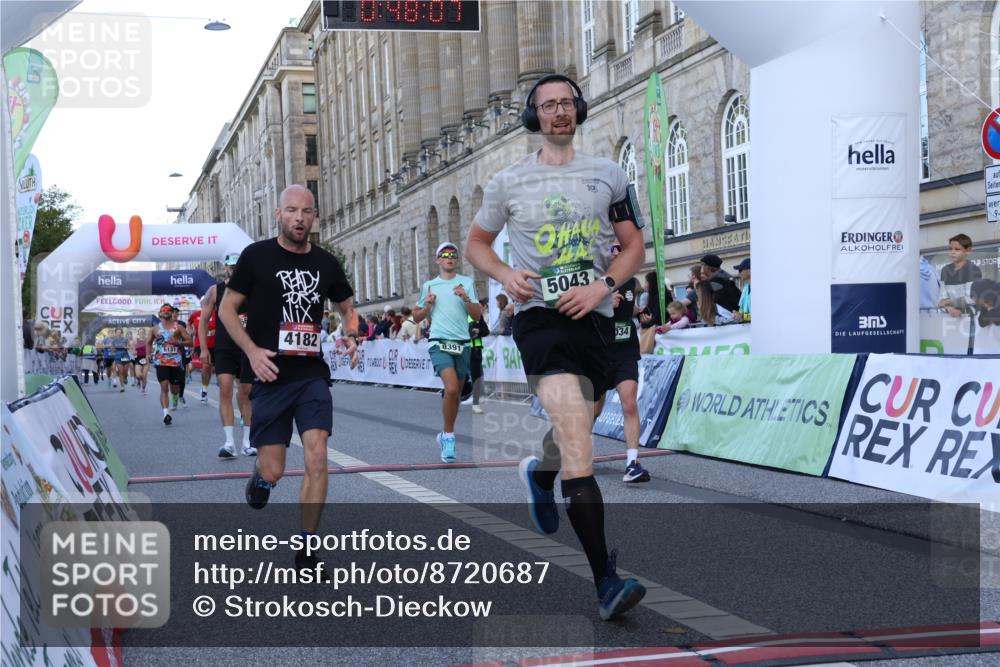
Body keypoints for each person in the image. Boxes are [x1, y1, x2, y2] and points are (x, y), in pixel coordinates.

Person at [466, 73, 646, 620]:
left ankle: (540, 475)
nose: (560, 112)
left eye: (567, 103)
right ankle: (606, 581)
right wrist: (504, 274)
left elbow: (633, 244)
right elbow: (476, 243)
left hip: (594, 317)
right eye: (549, 105)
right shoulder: (508, 182)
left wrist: (604, 286)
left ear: (579, 110)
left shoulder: (609, 176)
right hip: (540, 320)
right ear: (535, 116)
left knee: (580, 428)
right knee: (576, 439)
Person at [219, 184, 359, 574]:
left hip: (311, 373)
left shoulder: (327, 263)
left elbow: (347, 306)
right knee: (274, 469)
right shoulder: (256, 257)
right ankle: (262, 478)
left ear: (315, 216)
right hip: (269, 373)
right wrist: (250, 351)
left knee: (317, 456)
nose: (300, 218)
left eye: (307, 211)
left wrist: (351, 333)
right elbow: (228, 311)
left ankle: (307, 550)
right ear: (278, 215)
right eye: (292, 211)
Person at [413, 241, 482, 462]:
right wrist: (427, 306)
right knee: (451, 389)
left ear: (456, 259)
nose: (449, 257)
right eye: (444, 254)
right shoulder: (430, 286)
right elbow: (416, 317)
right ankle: (450, 437)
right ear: (438, 260)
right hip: (439, 342)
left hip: (462, 343)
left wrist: (465, 297)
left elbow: (477, 315)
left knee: (457, 395)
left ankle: (445, 433)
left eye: (453, 254)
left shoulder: (467, 282)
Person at [201, 252, 255, 459]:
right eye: (231, 266)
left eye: (237, 266)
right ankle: (229, 442)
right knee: (225, 390)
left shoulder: (253, 288)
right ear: (226, 267)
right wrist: (205, 349)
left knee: (246, 393)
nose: (234, 269)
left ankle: (248, 442)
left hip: (247, 347)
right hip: (224, 348)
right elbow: (203, 321)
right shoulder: (215, 291)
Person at [603, 242, 649, 484]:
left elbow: (627, 311)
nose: (616, 252)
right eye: (612, 248)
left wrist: (638, 313)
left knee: (629, 404)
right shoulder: (594, 280)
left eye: (620, 248)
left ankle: (632, 464)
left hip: (625, 351)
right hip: (598, 353)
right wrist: (604, 304)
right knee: (592, 412)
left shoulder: (631, 281)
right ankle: (572, 451)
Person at [148, 304, 193, 425]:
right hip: (161, 362)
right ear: (160, 314)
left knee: (174, 389)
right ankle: (166, 413)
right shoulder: (155, 329)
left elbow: (190, 342)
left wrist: (178, 343)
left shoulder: (178, 328)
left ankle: (175, 397)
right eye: (164, 310)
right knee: (164, 387)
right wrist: (148, 355)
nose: (166, 312)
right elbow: (148, 343)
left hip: (176, 363)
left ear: (172, 313)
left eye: (169, 310)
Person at [938, 233, 982, 316]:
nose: (952, 252)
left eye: (957, 249)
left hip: (971, 318)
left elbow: (972, 298)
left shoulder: (973, 270)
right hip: (950, 317)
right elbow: (941, 300)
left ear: (968, 251)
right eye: (950, 249)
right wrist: (949, 308)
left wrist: (949, 302)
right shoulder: (945, 270)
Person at [189, 306, 216, 402]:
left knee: (210, 368)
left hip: (214, 345)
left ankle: (205, 386)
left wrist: (215, 331)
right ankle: (204, 390)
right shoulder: (196, 314)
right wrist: (191, 331)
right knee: (205, 366)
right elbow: (189, 323)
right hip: (200, 344)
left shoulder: (216, 313)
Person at [465, 309, 489, 415]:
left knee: (475, 377)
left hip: (474, 349)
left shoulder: (476, 314)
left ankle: (475, 403)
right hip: (460, 349)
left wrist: (478, 331)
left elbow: (486, 331)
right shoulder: (456, 313)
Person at [109, 328, 129, 392]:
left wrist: (126, 347)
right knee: (121, 371)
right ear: (115, 333)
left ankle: (125, 377)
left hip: (125, 355)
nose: (119, 333)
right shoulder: (113, 340)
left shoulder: (125, 339)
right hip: (117, 356)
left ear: (122, 333)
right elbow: (112, 349)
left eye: (120, 332)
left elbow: (128, 346)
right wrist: (113, 348)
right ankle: (122, 387)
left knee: (125, 371)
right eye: (117, 332)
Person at [731, 257, 751, 322]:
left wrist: (743, 317)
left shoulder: (762, 288)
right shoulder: (745, 288)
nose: (738, 273)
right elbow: (741, 310)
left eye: (740, 270)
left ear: (749, 270)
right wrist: (737, 315)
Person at [134, 328, 149, 394]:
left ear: (144, 333)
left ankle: (143, 388)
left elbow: (151, 349)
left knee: (144, 375)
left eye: (143, 332)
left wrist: (149, 353)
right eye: (140, 332)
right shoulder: (136, 340)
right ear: (138, 333)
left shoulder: (147, 340)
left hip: (146, 358)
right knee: (138, 375)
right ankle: (138, 380)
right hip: (138, 358)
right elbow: (132, 349)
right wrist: (133, 352)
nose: (141, 333)